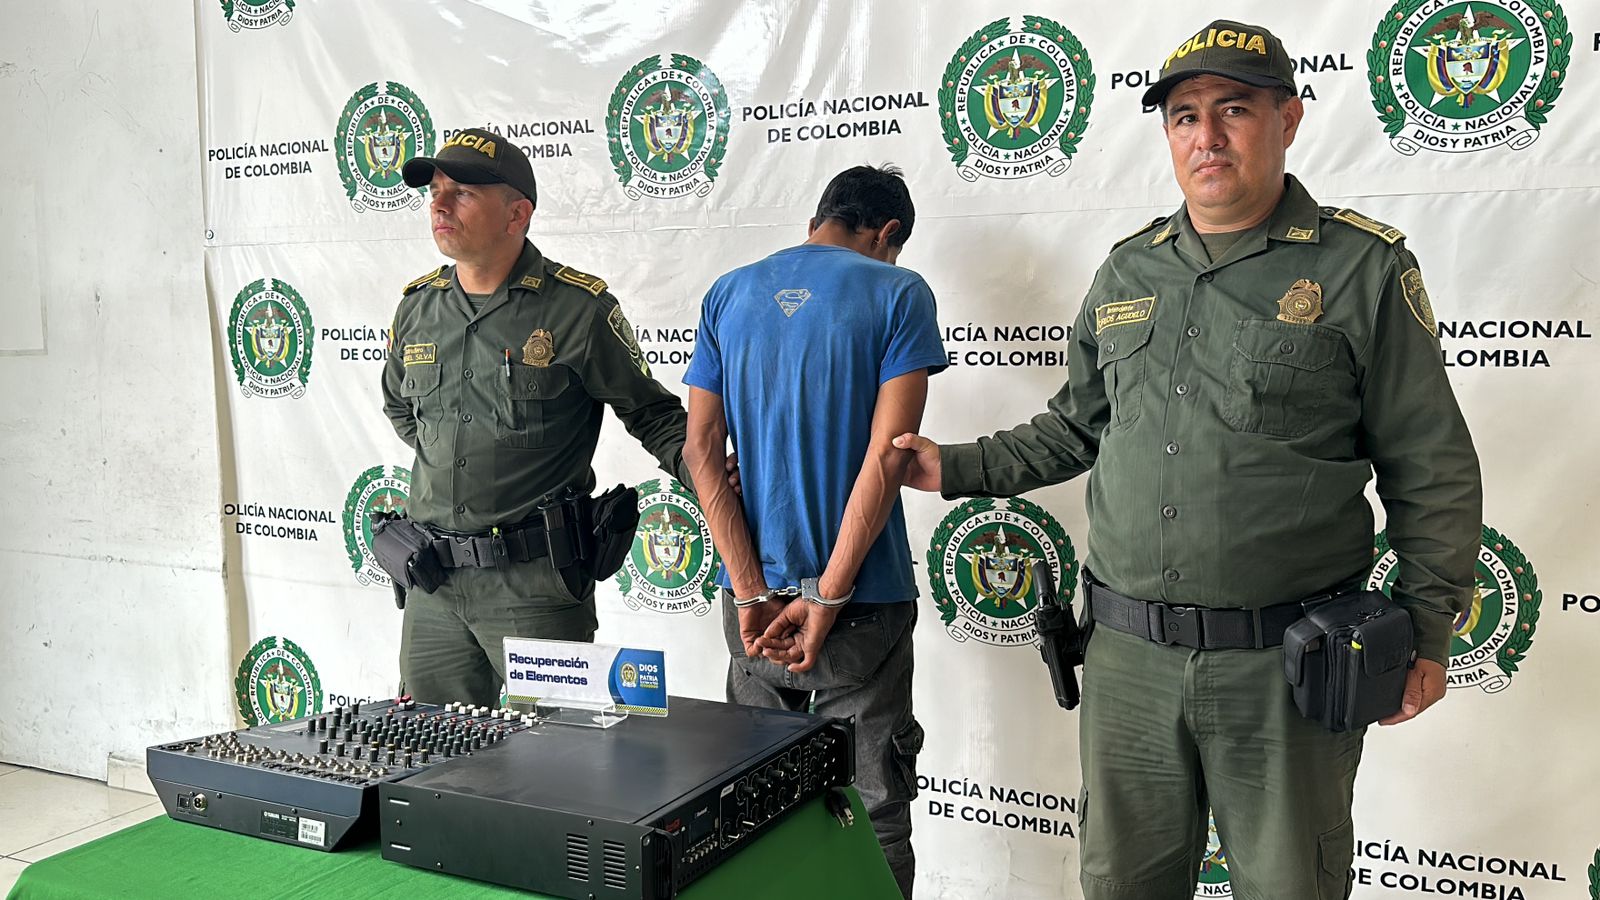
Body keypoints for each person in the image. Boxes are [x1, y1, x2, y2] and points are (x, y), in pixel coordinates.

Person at [891, 21, 1482, 899]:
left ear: (1288, 119)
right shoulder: (1130, 272)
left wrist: (1428, 630)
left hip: (1287, 666)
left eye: (1233, 110)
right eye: (1184, 116)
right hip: (1129, 665)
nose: (1206, 137)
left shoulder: (1362, 269)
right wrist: (955, 466)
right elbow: (1075, 427)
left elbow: (1431, 466)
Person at [682, 165, 947, 899]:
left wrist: (749, 592)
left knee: (745, 809)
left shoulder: (729, 293)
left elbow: (699, 451)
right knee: (872, 813)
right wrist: (828, 595)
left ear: (820, 217)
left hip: (754, 613)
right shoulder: (898, 291)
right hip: (862, 604)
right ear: (887, 233)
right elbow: (889, 458)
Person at [381, 129, 695, 707]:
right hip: (432, 586)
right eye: (436, 192)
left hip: (534, 588)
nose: (440, 205)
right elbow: (404, 411)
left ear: (517, 213)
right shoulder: (417, 308)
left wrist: (723, 489)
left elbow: (654, 416)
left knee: (555, 767)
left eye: (464, 193)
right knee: (434, 774)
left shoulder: (577, 309)